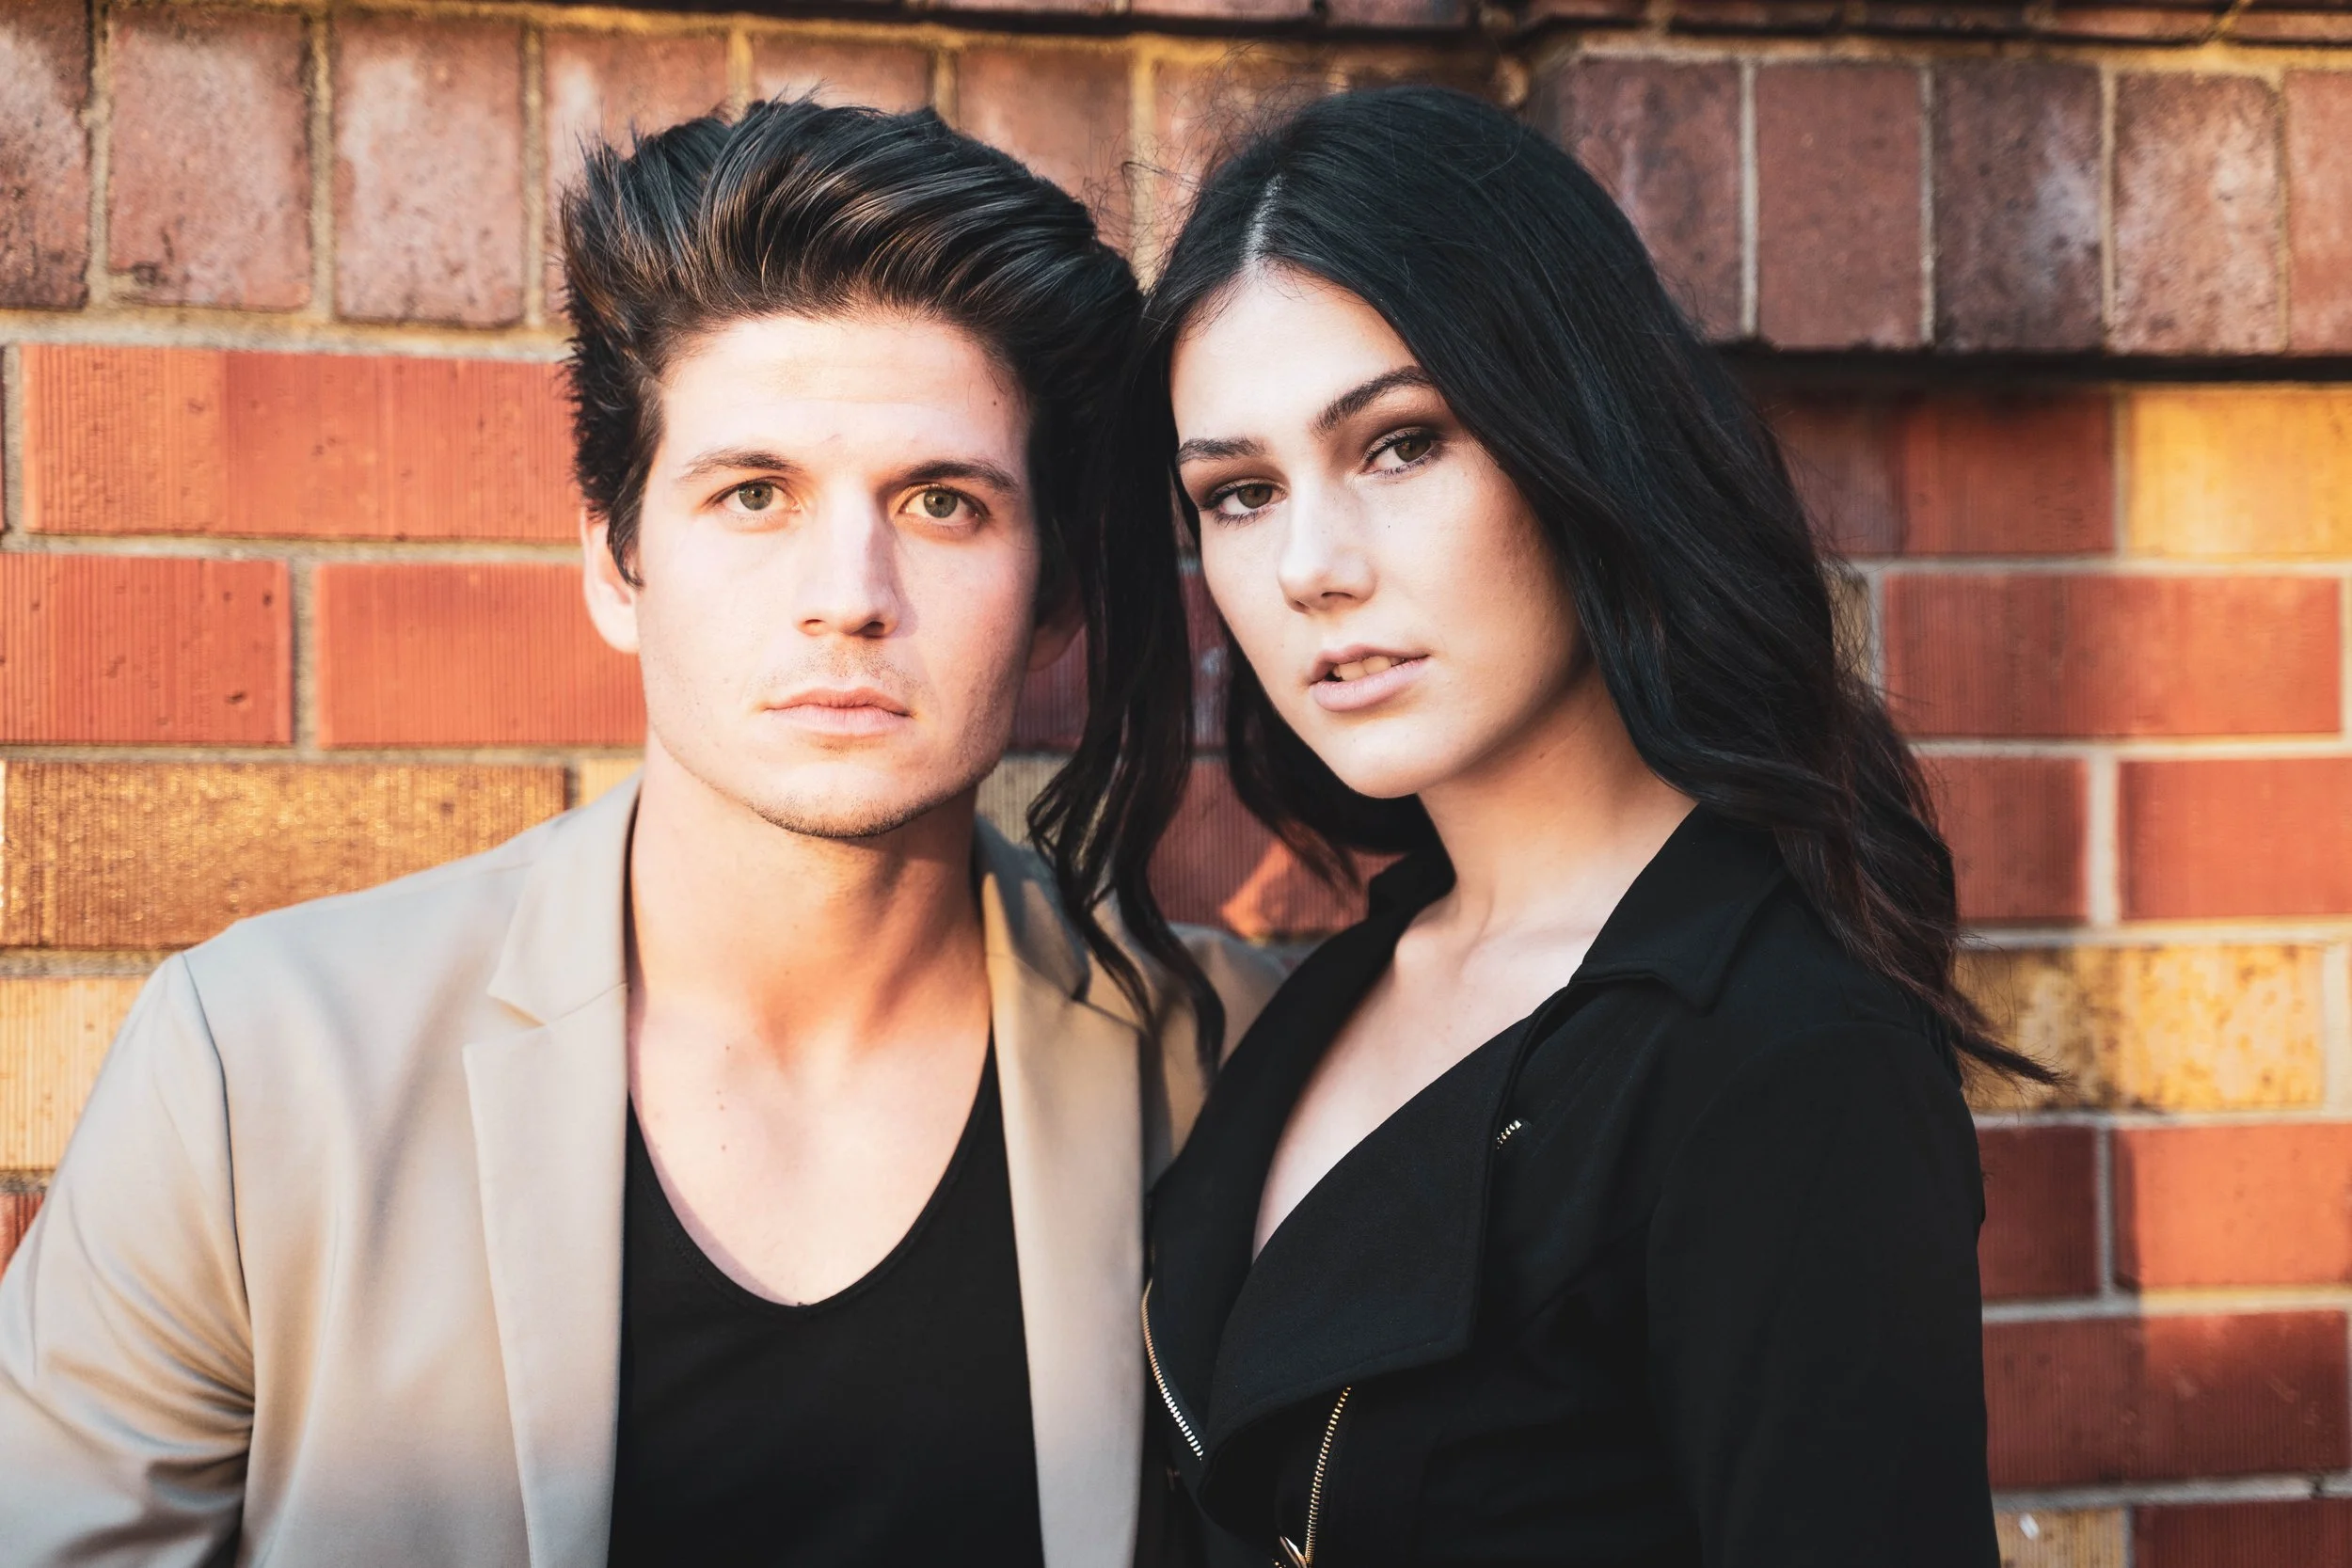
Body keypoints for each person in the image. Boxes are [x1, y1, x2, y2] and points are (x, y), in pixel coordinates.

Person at [0, 100, 1279, 1568]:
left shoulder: (1228, 1065)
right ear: (617, 565)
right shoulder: (257, 1072)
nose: (847, 592)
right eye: (753, 494)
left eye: (942, 502)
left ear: (1054, 593)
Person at [1121, 87, 2036, 1568]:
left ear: (1576, 436)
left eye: (1401, 444)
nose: (1309, 565)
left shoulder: (1778, 1049)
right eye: (1237, 492)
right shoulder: (1343, 986)